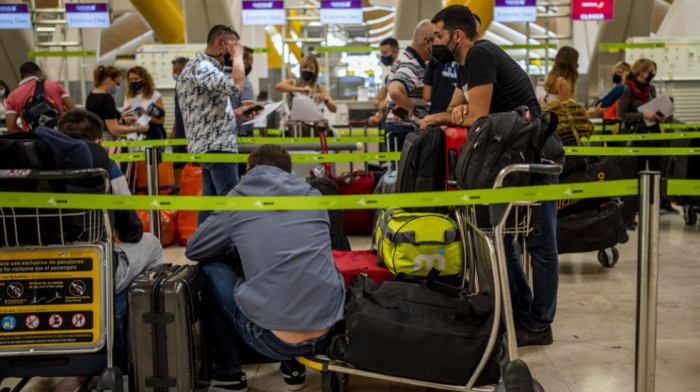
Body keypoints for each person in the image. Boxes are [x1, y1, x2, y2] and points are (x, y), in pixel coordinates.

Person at [430, 5, 562, 346]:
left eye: (439, 36)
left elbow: (475, 114)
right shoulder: (463, 67)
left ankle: (539, 323)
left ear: (457, 36)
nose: (435, 43)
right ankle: (519, 309)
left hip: (535, 156)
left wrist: (446, 117)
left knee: (540, 243)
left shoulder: (481, 54)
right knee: (499, 236)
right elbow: (458, 112)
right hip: (513, 159)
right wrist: (454, 113)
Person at [185, 144, 345, 392]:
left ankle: (229, 375)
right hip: (328, 330)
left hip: (273, 341)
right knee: (295, 263)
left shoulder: (239, 197)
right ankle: (293, 369)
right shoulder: (313, 195)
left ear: (255, 168)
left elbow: (194, 249)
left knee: (210, 265)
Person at [176, 25, 257, 225]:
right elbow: (235, 87)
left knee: (211, 200)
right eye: (234, 45)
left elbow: (206, 107)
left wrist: (235, 112)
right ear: (222, 43)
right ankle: (224, 247)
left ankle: (203, 247)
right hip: (217, 146)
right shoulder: (202, 65)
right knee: (228, 199)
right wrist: (239, 57)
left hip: (211, 145)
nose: (237, 50)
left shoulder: (203, 68)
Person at [385, 20, 433, 151]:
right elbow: (394, 90)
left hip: (400, 130)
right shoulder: (412, 64)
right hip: (405, 131)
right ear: (428, 41)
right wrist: (409, 106)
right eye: (438, 39)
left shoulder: (404, 58)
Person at [422, 14, 480, 115]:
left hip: (437, 116)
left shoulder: (436, 56)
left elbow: (427, 96)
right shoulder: (477, 59)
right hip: (463, 117)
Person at [5, 62, 76, 132]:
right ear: (38, 73)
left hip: (35, 139)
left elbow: (11, 126)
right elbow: (72, 109)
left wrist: (27, 136)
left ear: (21, 77)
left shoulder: (13, 96)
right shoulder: (55, 85)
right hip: (59, 133)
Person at [86, 65, 148, 144]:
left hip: (94, 139)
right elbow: (113, 129)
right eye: (117, 84)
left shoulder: (91, 96)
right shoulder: (106, 99)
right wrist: (138, 129)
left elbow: (104, 119)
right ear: (109, 80)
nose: (117, 87)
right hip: (107, 141)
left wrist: (124, 120)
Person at [124, 66, 166, 139]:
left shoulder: (155, 95)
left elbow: (161, 120)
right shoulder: (128, 97)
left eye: (136, 79)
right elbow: (125, 120)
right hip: (133, 136)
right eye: (130, 80)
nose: (133, 81)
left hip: (151, 135)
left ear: (143, 79)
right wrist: (125, 116)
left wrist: (143, 117)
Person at [371, 37, 400, 120]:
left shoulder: (405, 73)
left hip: (404, 122)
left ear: (395, 52)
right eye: (381, 53)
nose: (383, 56)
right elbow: (376, 100)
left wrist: (388, 103)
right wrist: (381, 105)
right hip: (390, 121)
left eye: (385, 53)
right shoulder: (388, 77)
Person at [231, 46, 256, 137]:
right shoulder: (245, 83)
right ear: (244, 63)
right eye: (250, 63)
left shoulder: (222, 78)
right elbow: (249, 111)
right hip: (242, 133)